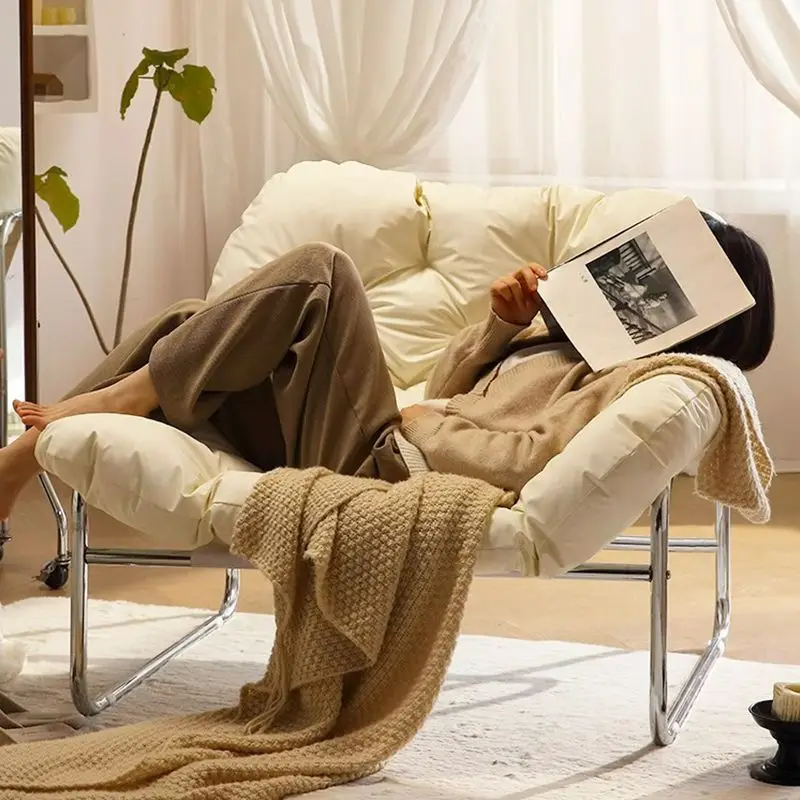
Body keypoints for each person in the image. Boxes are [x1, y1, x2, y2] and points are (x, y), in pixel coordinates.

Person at [0, 213, 775, 524]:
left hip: (390, 466)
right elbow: (446, 388)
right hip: (373, 440)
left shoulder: (629, 378)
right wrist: (504, 327)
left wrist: (428, 431)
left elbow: (529, 460)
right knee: (189, 321)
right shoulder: (562, 337)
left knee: (321, 270)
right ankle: (23, 461)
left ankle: (104, 407)